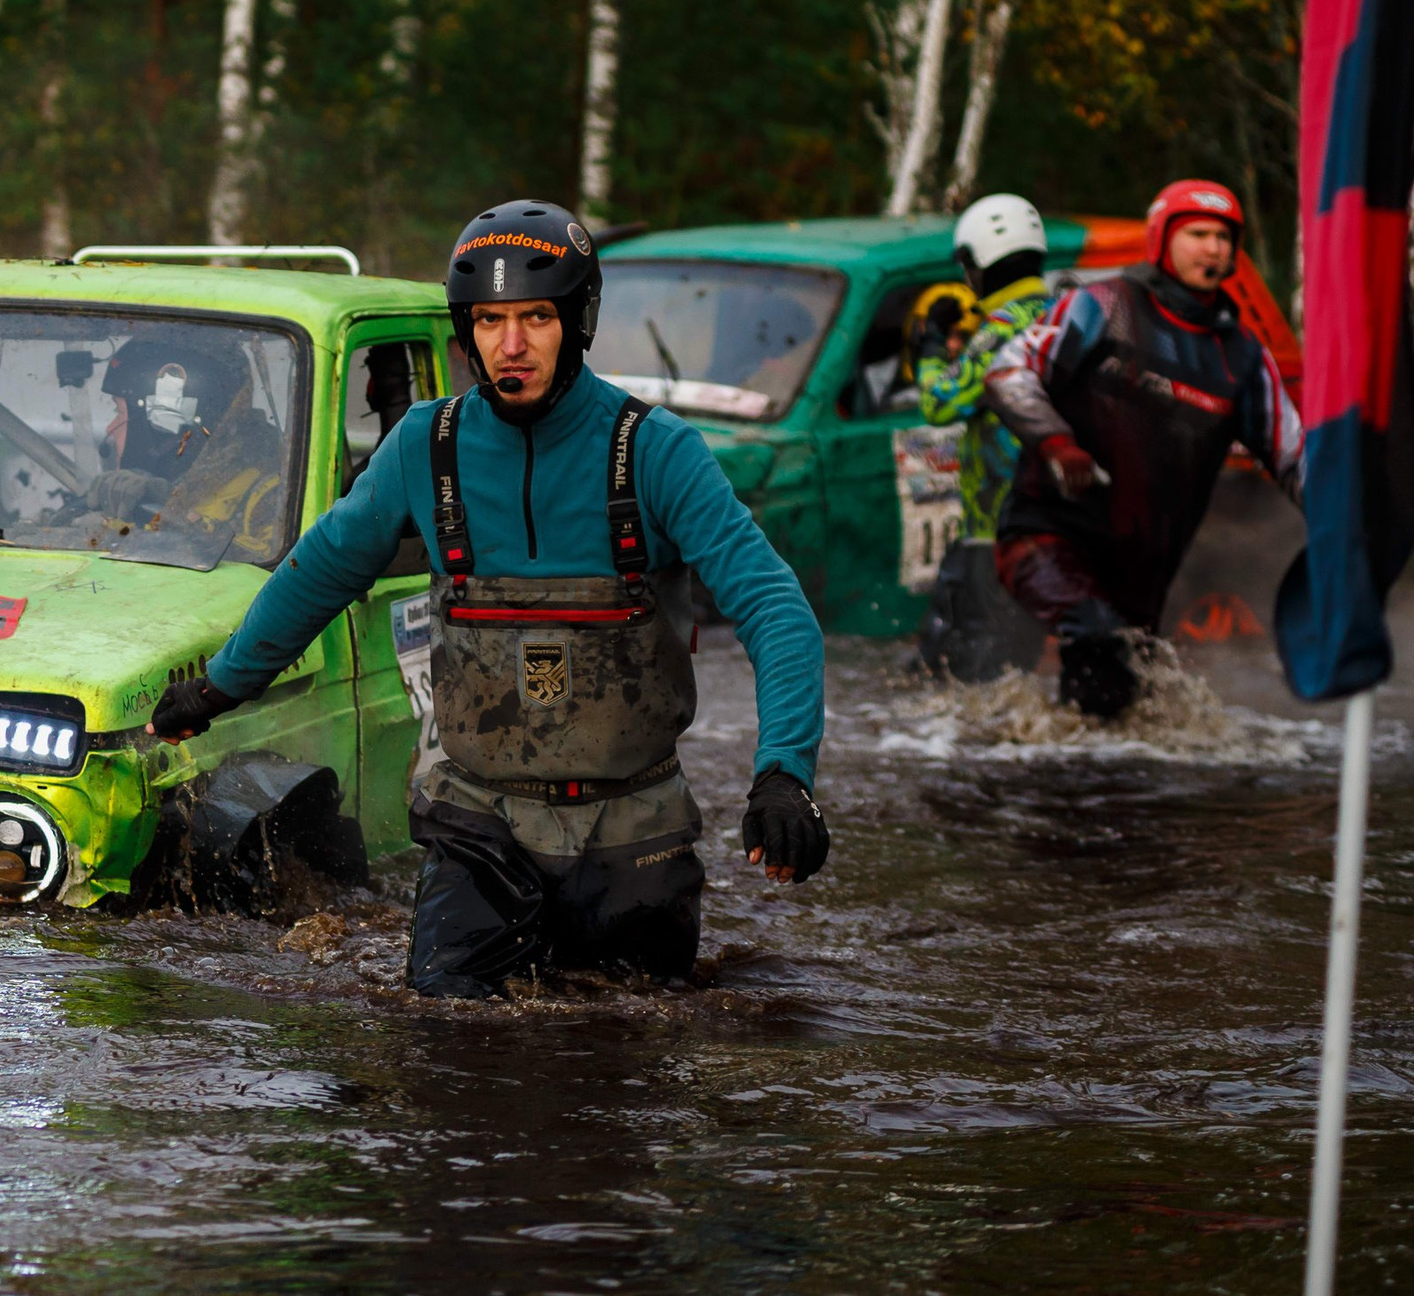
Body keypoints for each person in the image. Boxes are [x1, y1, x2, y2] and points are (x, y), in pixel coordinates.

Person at [148, 201, 830, 998]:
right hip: (478, 825)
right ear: (464, 328)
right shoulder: (424, 448)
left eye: (536, 317)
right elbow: (321, 569)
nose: (511, 345)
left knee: (636, 1065)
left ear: (579, 320)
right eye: (489, 320)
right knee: (444, 1050)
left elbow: (775, 608)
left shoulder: (656, 452)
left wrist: (784, 774)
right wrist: (219, 686)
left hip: (634, 831)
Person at [983, 178, 1302, 717]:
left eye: (1225, 237)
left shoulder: (1244, 358)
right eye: (1198, 233)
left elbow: (1295, 454)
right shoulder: (1099, 306)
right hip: (1046, 535)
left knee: (1127, 701)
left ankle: (1084, 784)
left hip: (1143, 567)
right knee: (1096, 636)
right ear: (1162, 239)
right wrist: (1059, 444)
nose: (1214, 248)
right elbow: (1008, 371)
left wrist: (1353, 528)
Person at [912, 193, 1055, 681]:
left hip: (995, 528)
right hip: (1050, 524)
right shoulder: (1061, 314)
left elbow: (941, 403)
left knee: (973, 672)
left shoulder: (1002, 328)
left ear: (980, 263)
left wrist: (930, 346)